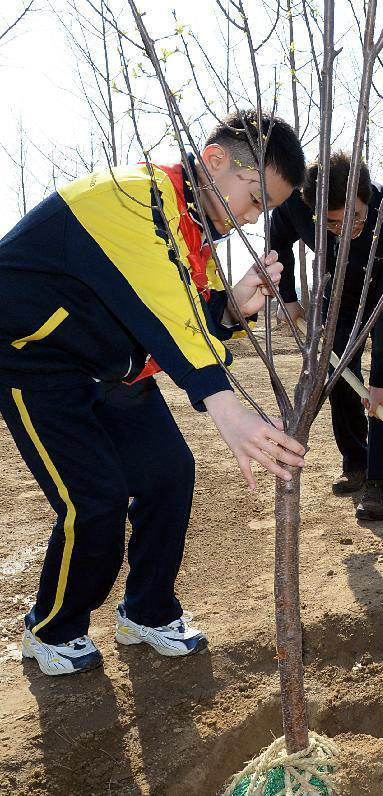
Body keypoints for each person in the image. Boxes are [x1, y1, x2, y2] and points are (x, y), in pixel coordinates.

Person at [0, 110, 307, 676]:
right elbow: (165, 314)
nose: (251, 218)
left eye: (265, 210)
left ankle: (146, 610)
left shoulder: (194, 230)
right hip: (36, 361)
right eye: (256, 199)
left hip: (115, 370)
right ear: (215, 161)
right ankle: (52, 629)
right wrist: (221, 399)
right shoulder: (128, 198)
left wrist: (233, 307)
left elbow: (192, 315)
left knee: (169, 473)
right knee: (93, 500)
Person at [270, 153, 383, 521]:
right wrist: (288, 297)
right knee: (339, 375)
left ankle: (382, 479)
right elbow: (278, 242)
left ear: (365, 196)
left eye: (354, 216)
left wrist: (382, 381)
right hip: (338, 293)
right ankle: (356, 462)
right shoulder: (298, 203)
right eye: (333, 223)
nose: (347, 227)